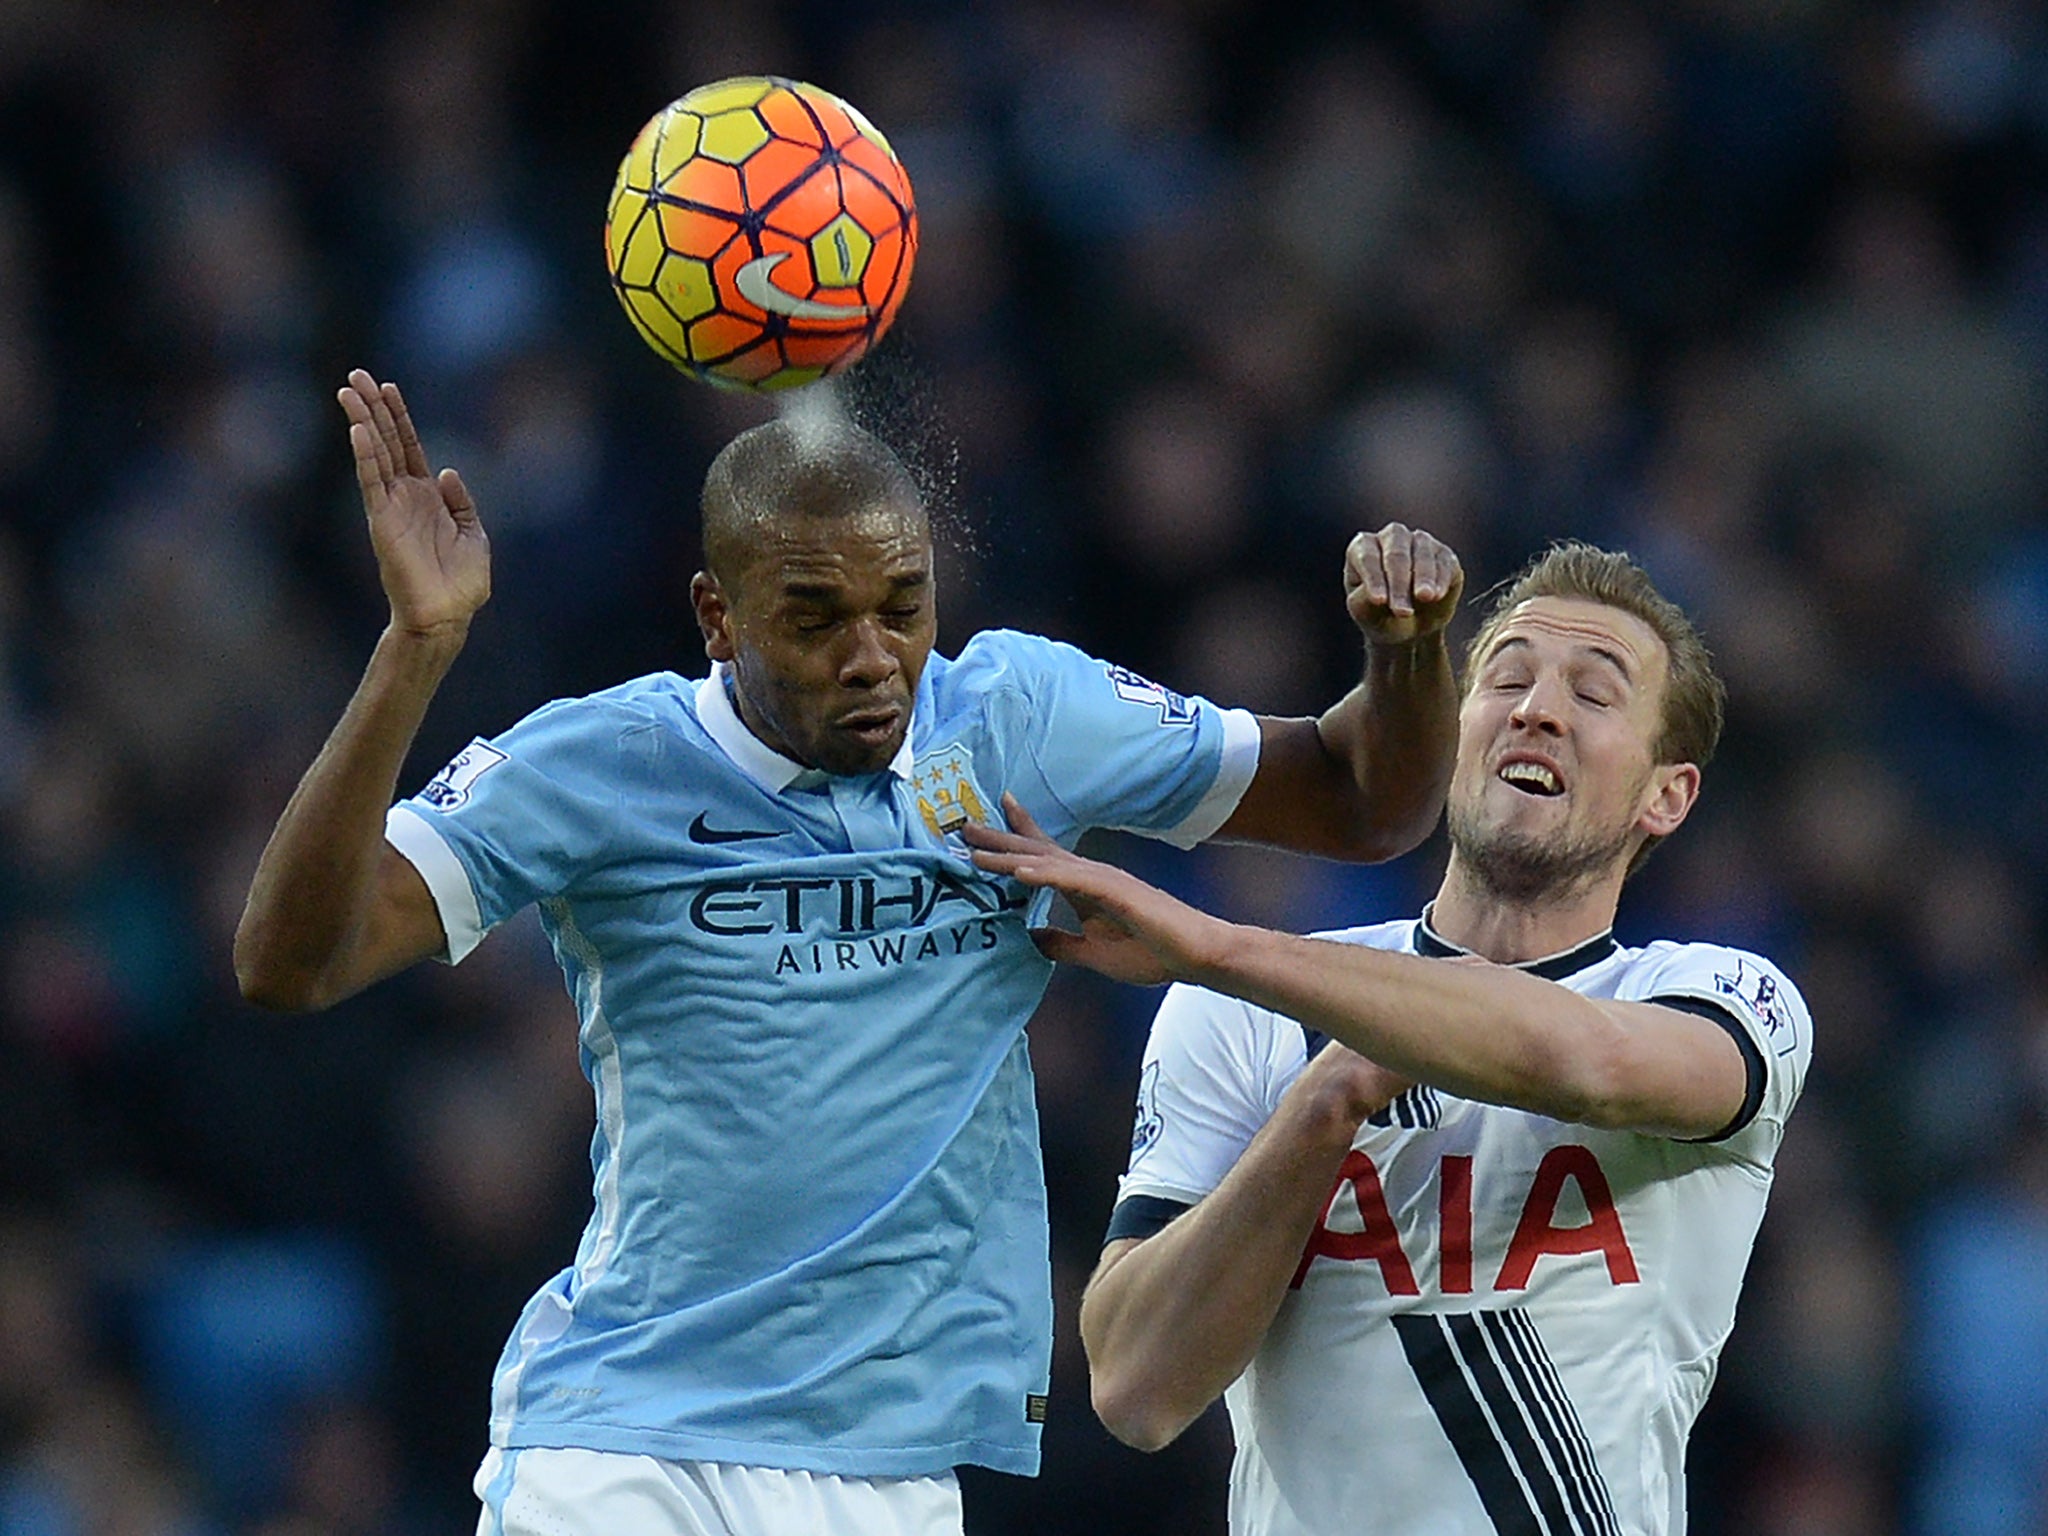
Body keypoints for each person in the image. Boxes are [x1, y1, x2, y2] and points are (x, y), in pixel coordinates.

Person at [233, 368, 1467, 1536]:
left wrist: (1405, 655)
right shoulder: (600, 763)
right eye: (815, 618)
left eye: (903, 606)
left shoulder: (1016, 717)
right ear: (716, 615)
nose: (873, 655)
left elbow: (1365, 804)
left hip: (889, 1464)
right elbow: (291, 963)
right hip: (623, 1438)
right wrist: (416, 650)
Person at [963, 542, 1813, 1536]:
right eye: (1503, 678)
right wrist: (1324, 1105)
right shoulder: (1242, 1010)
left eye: (1592, 692)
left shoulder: (1720, 993)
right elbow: (1136, 1390)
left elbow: (1582, 1063)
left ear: (1664, 795)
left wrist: (1219, 946)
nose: (1535, 709)